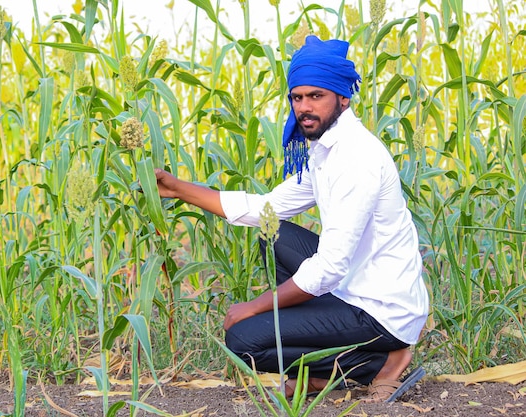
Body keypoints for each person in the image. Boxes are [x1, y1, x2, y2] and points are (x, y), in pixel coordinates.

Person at [154, 35, 429, 403]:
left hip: (381, 310)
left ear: (343, 97)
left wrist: (254, 306)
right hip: (354, 286)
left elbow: (329, 267)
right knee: (274, 233)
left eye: (316, 96)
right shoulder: (325, 151)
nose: (304, 108)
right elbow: (265, 207)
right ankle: (319, 374)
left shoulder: (355, 159)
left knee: (244, 340)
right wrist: (175, 187)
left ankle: (378, 361)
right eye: (297, 98)